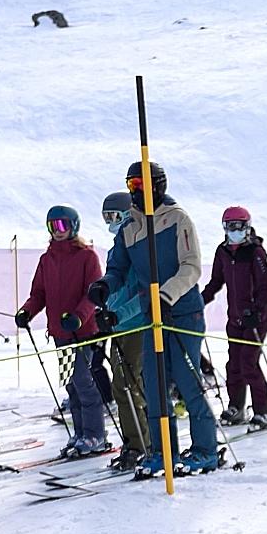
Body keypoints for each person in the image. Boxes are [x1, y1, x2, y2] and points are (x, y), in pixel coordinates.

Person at [88, 160, 218, 476]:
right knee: (155, 385)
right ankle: (162, 451)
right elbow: (118, 268)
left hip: (182, 310)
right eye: (132, 185)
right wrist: (105, 286)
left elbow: (191, 266)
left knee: (187, 381)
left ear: (159, 185)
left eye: (142, 185)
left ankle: (205, 450)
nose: (137, 191)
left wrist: (166, 295)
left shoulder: (177, 218)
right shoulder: (131, 225)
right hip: (152, 316)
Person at [17, 205, 109, 459]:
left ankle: (95, 434)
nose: (57, 231)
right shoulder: (47, 259)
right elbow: (39, 294)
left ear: (73, 226)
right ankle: (81, 433)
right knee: (71, 384)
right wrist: (27, 312)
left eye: (62, 225)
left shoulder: (86, 256)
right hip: (60, 332)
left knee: (83, 382)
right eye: (52, 226)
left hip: (81, 331)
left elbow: (93, 294)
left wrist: (79, 317)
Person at [201, 205, 267, 429]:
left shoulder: (255, 252)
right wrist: (199, 301)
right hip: (234, 319)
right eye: (230, 226)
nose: (234, 231)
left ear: (247, 227)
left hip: (256, 319)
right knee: (233, 364)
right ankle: (237, 407)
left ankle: (263, 411)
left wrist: (256, 309)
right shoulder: (223, 251)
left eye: (239, 226)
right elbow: (216, 281)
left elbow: (266, 287)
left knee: (248, 363)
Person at [95, 191, 150, 471]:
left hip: (136, 324)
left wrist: (118, 313)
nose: (110, 222)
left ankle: (141, 445)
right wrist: (104, 308)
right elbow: (117, 287)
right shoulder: (116, 248)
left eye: (115, 216)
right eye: (106, 217)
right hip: (120, 324)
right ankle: (135, 443)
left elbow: (138, 291)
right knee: (122, 385)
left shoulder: (138, 246)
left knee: (129, 384)